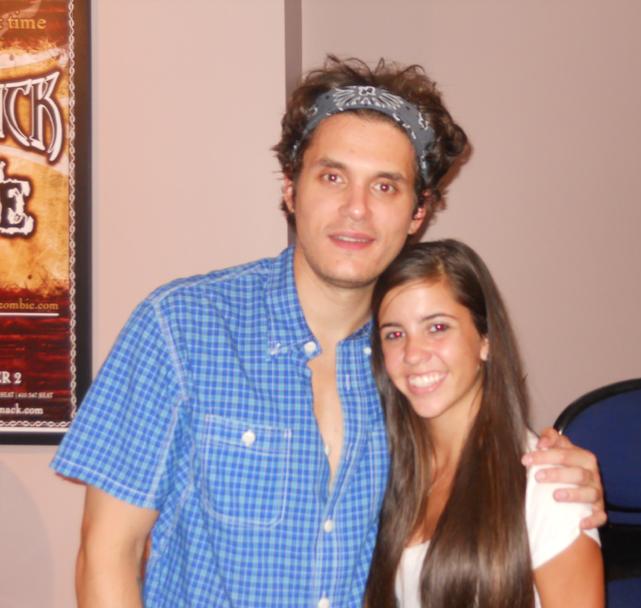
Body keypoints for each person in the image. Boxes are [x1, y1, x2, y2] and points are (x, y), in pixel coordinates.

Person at [51, 56, 605, 607]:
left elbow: (483, 472)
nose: (356, 209)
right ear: (291, 188)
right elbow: (106, 556)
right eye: (333, 176)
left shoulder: (413, 368)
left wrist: (554, 489)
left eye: (386, 187)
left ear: (418, 212)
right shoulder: (181, 328)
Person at [365, 239, 604, 607]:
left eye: (437, 327)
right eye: (394, 335)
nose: (412, 354)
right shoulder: (386, 472)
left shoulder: (548, 485)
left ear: (485, 340)